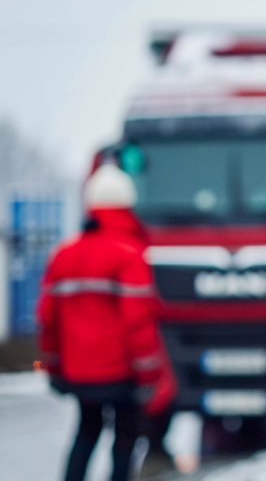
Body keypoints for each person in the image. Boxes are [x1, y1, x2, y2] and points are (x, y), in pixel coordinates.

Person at [38, 164, 169, 481]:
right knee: (125, 438)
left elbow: (47, 318)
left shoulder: (64, 254)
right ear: (128, 204)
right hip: (121, 373)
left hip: (79, 373)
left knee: (86, 430)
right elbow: (138, 321)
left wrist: (53, 367)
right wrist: (149, 374)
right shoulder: (129, 253)